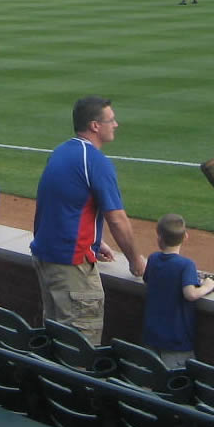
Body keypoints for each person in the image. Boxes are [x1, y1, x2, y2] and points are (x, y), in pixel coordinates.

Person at [31, 95, 147, 347]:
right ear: (95, 125)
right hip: (71, 265)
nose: (116, 124)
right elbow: (117, 219)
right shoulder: (95, 161)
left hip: (47, 258)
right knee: (79, 348)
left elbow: (58, 204)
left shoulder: (61, 152)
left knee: (56, 341)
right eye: (111, 120)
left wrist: (97, 240)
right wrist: (136, 261)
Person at [142, 214, 214, 370]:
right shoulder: (186, 265)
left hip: (151, 336)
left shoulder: (153, 259)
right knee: (174, 385)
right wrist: (207, 286)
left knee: (151, 380)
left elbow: (148, 279)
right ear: (185, 237)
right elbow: (190, 294)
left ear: (159, 237)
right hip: (176, 341)